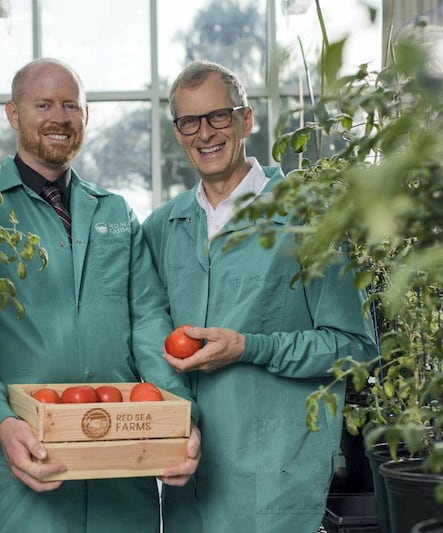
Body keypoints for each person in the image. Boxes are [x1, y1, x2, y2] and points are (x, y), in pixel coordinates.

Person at [0, 57, 201, 533]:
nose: (59, 117)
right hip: (24, 450)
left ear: (85, 117)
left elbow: (148, 322)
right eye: (43, 104)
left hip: (122, 451)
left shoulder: (115, 210)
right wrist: (1, 420)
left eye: (71, 105)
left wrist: (177, 414)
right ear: (13, 114)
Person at [142, 60, 378, 533]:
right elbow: (147, 331)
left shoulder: (310, 217)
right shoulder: (163, 226)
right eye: (190, 121)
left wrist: (251, 347)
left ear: (246, 119)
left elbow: (356, 348)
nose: (205, 133)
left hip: (276, 477)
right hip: (188, 475)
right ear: (177, 131)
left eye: (219, 116)